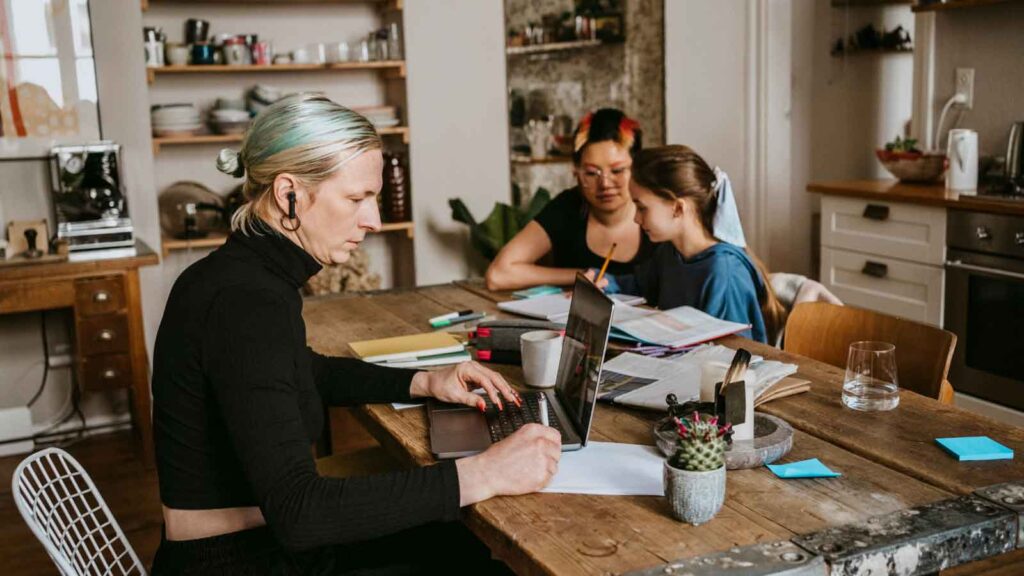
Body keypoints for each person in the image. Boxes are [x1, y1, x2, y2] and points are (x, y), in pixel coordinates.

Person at [150, 94, 562, 575]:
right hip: (238, 560)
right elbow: (302, 513)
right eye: (356, 198)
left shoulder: (238, 278)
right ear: (290, 194)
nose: (374, 220)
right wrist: (486, 472)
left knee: (456, 544)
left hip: (247, 543)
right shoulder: (246, 302)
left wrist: (423, 381)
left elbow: (302, 371)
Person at [595, 145, 785, 344]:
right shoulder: (669, 252)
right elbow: (641, 285)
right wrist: (603, 282)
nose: (635, 218)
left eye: (642, 208)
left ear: (677, 208)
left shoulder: (723, 272)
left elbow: (731, 352)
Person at [485, 108, 654, 290]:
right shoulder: (568, 207)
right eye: (591, 173)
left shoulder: (657, 209)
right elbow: (499, 275)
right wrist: (584, 276)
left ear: (636, 169)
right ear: (576, 172)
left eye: (617, 170)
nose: (605, 183)